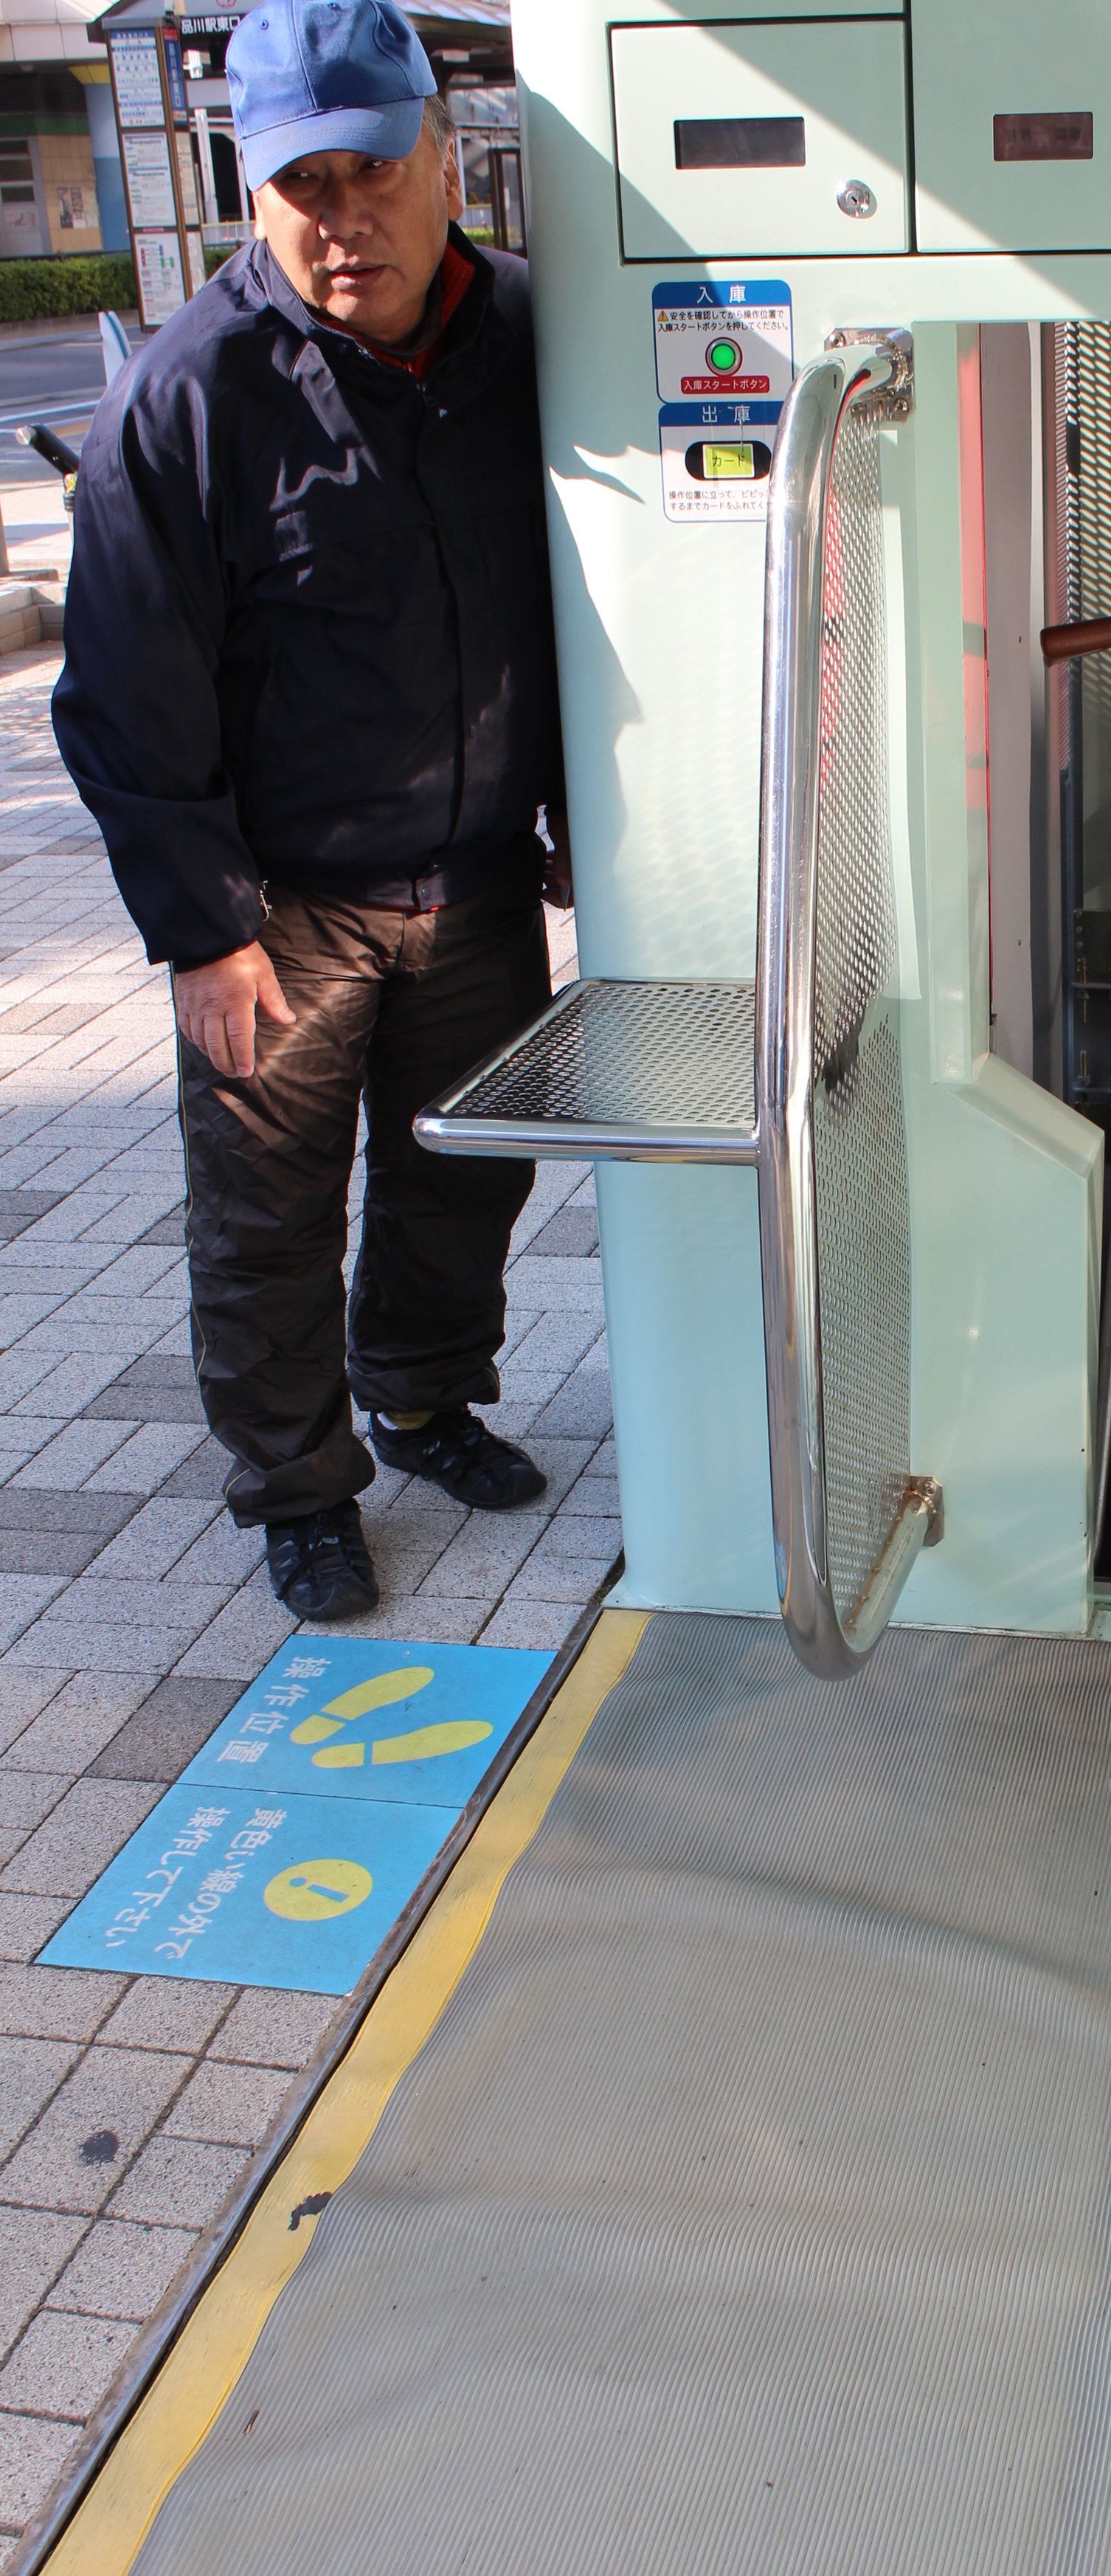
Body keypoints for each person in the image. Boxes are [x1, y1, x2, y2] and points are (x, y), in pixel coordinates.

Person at [54, 0, 569, 1623]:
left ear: (445, 160)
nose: (343, 222)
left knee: (463, 1170)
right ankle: (296, 1484)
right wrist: (201, 933)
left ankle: (418, 1398)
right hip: (279, 904)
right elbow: (126, 691)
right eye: (302, 186)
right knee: (270, 1212)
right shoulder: (191, 395)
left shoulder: (537, 345)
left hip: (475, 877)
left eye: (372, 173)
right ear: (251, 190)